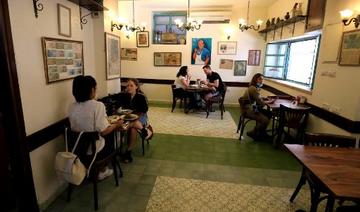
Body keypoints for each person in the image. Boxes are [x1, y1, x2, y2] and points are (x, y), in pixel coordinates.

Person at [68, 75, 123, 180]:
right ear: (92, 89)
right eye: (95, 88)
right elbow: (103, 131)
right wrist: (117, 125)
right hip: (93, 151)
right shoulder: (98, 106)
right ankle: (101, 170)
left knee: (102, 136)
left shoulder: (71, 106)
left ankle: (93, 170)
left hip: (76, 149)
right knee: (110, 136)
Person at [118, 78, 153, 163]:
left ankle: (128, 152)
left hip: (141, 116)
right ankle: (143, 130)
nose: (129, 87)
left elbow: (144, 110)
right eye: (127, 86)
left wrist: (135, 116)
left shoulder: (141, 96)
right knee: (133, 127)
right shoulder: (125, 96)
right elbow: (122, 108)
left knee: (133, 124)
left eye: (131, 85)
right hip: (129, 118)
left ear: (136, 87)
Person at [239, 73, 274, 140]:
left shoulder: (253, 87)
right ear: (255, 80)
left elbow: (258, 100)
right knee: (265, 120)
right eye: (260, 79)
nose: (261, 81)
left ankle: (262, 133)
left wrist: (263, 101)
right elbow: (261, 103)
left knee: (269, 113)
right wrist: (268, 102)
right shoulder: (253, 89)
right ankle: (254, 132)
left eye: (262, 79)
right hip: (247, 110)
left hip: (250, 108)